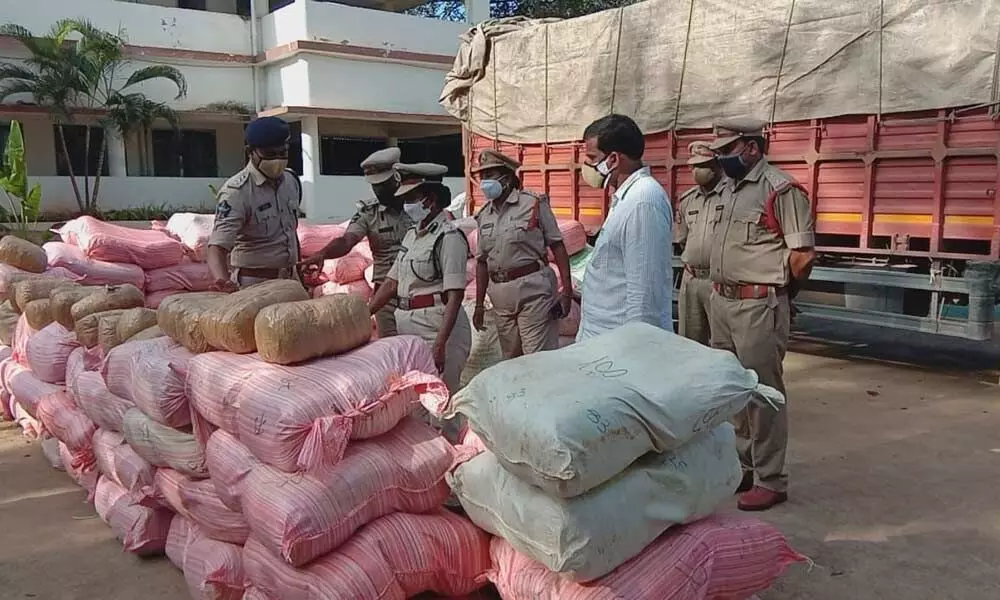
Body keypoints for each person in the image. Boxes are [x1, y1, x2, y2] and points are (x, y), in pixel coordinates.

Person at [708, 117, 816, 511]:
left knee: (764, 395)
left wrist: (781, 294)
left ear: (752, 148)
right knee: (734, 392)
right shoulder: (727, 189)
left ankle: (772, 479)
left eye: (727, 150)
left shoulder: (780, 190)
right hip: (722, 301)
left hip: (758, 304)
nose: (720, 157)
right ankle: (744, 468)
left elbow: (802, 255)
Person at [368, 163, 471, 404]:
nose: (406, 206)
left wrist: (440, 343)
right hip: (408, 324)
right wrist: (365, 313)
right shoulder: (412, 235)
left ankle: (447, 442)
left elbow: (455, 295)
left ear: (429, 200)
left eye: (411, 198)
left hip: (436, 327)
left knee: (441, 400)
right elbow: (392, 282)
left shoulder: (449, 237)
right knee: (415, 401)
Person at [297, 147, 416, 337]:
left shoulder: (418, 206)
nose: (378, 190)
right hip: (386, 299)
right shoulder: (369, 213)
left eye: (383, 184)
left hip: (419, 293)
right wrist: (322, 254)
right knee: (393, 353)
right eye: (374, 185)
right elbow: (347, 240)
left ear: (397, 177)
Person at [575, 114, 673, 341]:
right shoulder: (625, 197)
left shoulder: (643, 201)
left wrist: (633, 356)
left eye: (592, 157)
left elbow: (644, 296)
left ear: (613, 160)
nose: (587, 165)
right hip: (602, 339)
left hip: (619, 347)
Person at [471, 149, 574, 358]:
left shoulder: (533, 203)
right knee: (511, 359)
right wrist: (479, 304)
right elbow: (482, 262)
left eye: (490, 176)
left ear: (507, 177)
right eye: (482, 177)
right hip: (501, 297)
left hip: (534, 291)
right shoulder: (484, 215)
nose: (485, 182)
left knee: (537, 359)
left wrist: (567, 291)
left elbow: (557, 246)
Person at [207, 116, 301, 291]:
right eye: (270, 154)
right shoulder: (237, 192)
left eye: (283, 153)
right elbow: (217, 247)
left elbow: (291, 232)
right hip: (254, 284)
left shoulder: (291, 181)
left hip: (290, 280)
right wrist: (223, 281)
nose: (277, 160)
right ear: (250, 152)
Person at [675, 140, 726, 345]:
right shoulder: (688, 200)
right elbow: (683, 239)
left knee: (722, 345)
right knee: (689, 344)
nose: (697, 171)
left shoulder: (730, 196)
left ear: (717, 165)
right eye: (694, 166)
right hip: (692, 279)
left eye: (703, 165)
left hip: (718, 282)